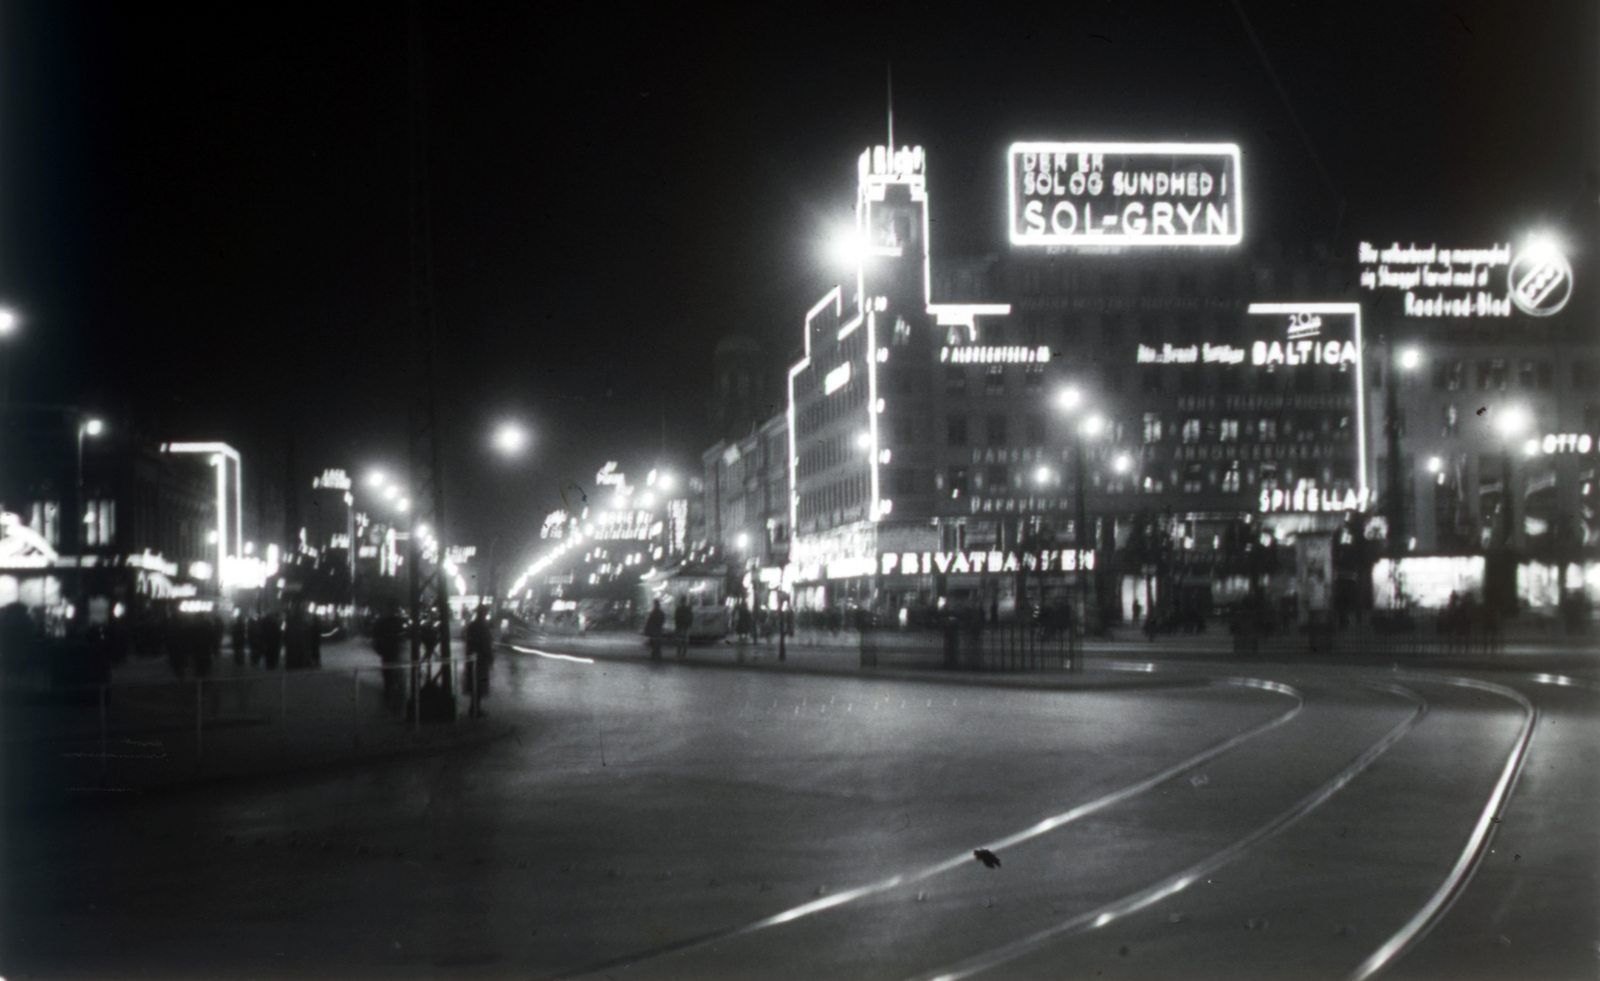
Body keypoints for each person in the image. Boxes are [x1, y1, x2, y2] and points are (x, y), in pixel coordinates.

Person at [371, 604, 405, 716]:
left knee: (388, 679)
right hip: (394, 652)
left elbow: (375, 638)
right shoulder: (397, 621)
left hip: (387, 654)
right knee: (397, 679)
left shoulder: (381, 622)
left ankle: (388, 702)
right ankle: (396, 705)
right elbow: (402, 635)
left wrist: (380, 649)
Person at [465, 605, 494, 711]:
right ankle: (475, 709)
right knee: (480, 685)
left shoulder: (472, 625)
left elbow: (469, 641)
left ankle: (474, 707)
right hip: (481, 659)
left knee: (474, 684)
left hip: (473, 658)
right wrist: (490, 657)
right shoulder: (483, 626)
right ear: (484, 613)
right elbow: (486, 644)